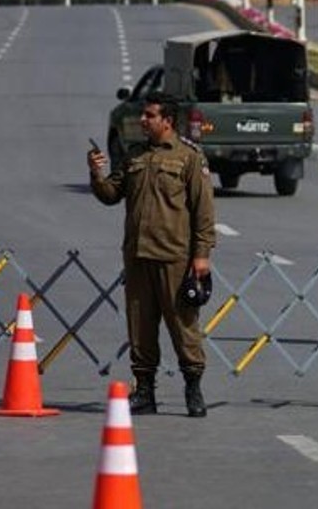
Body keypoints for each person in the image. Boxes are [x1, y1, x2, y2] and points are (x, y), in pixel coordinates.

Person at [88, 92, 216, 418]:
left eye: (149, 115)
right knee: (140, 327)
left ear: (167, 121)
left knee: (182, 325)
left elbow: (203, 212)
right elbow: (111, 195)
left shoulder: (189, 158)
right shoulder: (134, 155)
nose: (142, 120)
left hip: (174, 256)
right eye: (143, 115)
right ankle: (144, 391)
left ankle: (193, 388)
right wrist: (96, 174)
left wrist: (201, 255)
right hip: (138, 257)